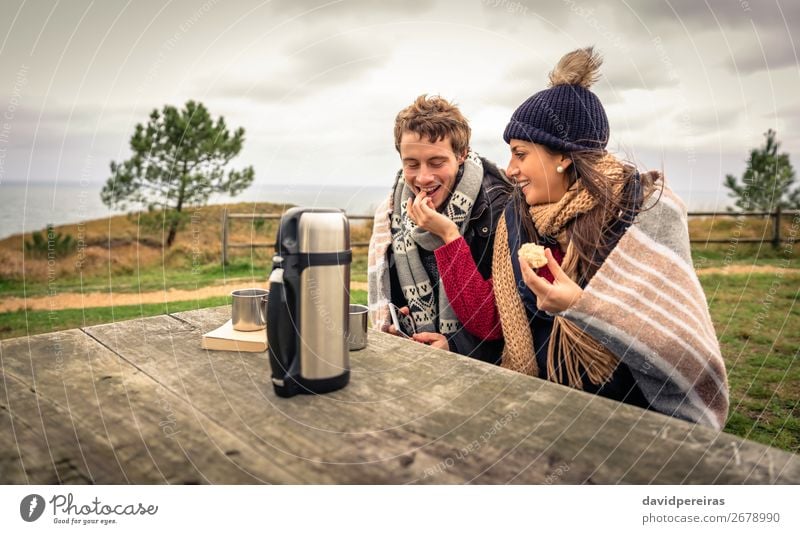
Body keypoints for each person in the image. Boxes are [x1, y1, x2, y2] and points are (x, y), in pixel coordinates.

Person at [434, 48, 729, 429]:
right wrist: (454, 344)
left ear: (563, 156)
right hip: (544, 417)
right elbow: (497, 319)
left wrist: (581, 307)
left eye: (520, 154)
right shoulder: (519, 217)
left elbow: (675, 346)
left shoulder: (644, 212)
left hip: (629, 425)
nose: (510, 169)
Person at [367, 94, 512, 363]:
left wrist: (455, 346)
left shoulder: (499, 208)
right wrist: (402, 322)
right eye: (411, 164)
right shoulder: (392, 210)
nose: (423, 177)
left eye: (436, 163)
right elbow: (398, 294)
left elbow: (504, 317)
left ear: (461, 155)